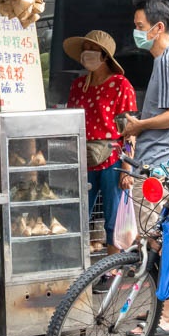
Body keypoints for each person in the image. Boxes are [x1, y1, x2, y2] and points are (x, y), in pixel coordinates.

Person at [119, 0, 169, 336]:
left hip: (159, 165)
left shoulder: (166, 61)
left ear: (157, 27)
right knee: (165, 236)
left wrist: (138, 126)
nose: (137, 33)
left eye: (140, 27)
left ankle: (164, 316)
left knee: (156, 240)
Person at [64, 30, 137, 254]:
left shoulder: (120, 85)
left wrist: (127, 166)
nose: (87, 54)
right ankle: (79, 268)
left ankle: (111, 270)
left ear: (105, 56)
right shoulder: (78, 85)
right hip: (82, 156)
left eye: (93, 50)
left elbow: (129, 130)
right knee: (77, 214)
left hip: (112, 157)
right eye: (85, 49)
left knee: (113, 216)